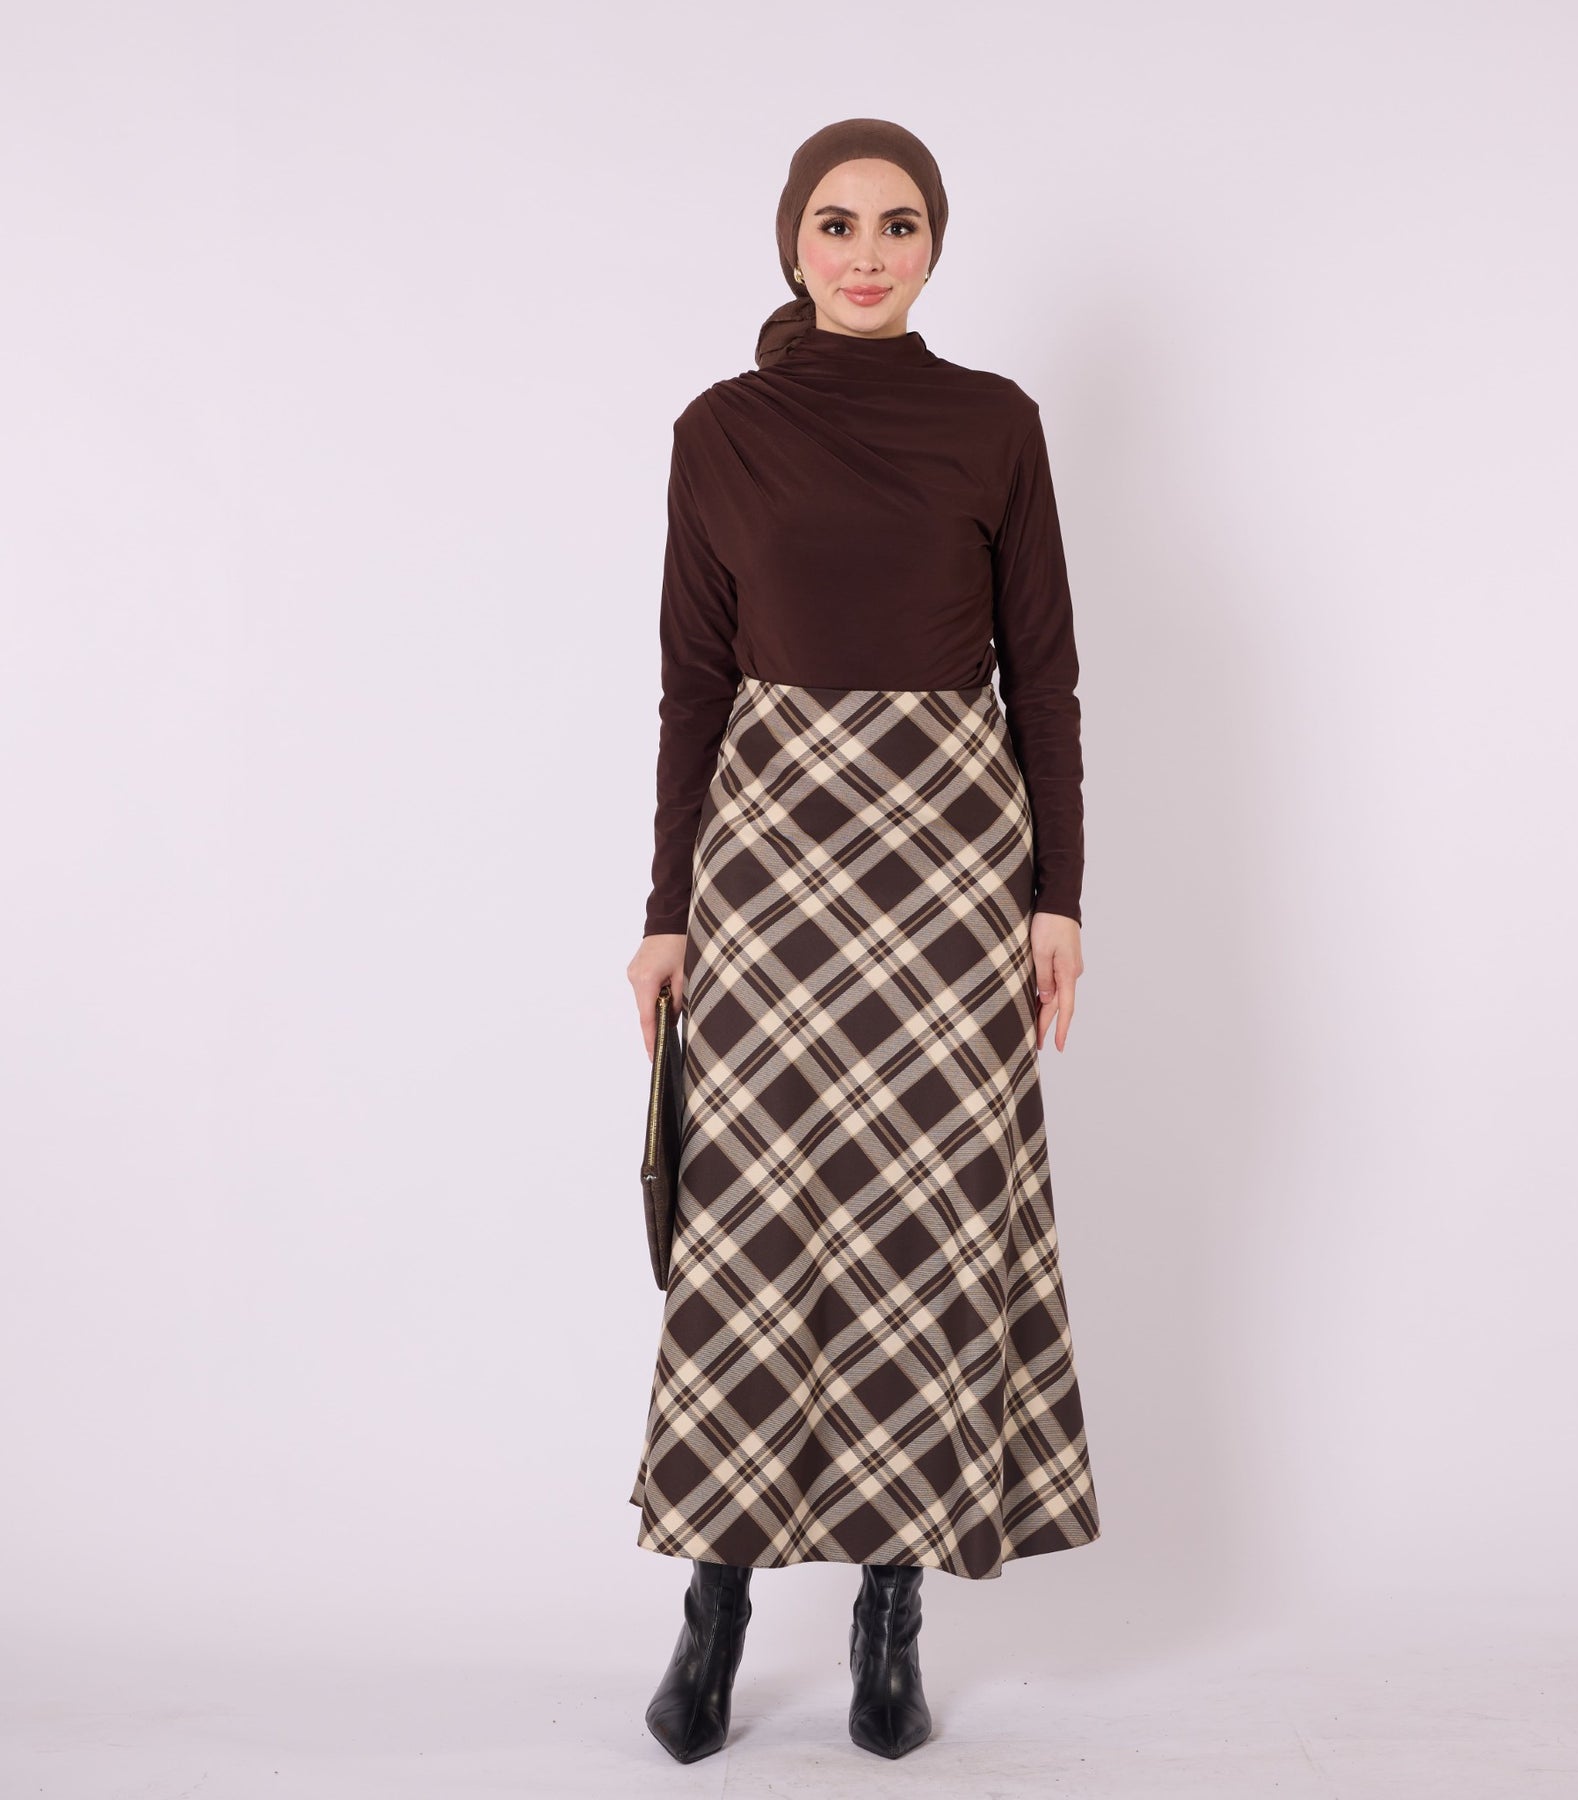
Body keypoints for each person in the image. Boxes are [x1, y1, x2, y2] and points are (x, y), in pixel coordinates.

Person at [623, 116, 1099, 1765]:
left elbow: (1044, 677)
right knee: (752, 1237)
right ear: (792, 239)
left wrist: (1058, 892)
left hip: (953, 869)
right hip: (769, 869)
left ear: (935, 243)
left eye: (899, 223)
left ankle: (892, 1615)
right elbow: (693, 686)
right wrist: (667, 912)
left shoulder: (996, 424)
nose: (867, 252)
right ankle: (716, 1606)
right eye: (837, 222)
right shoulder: (721, 431)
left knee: (925, 1235)